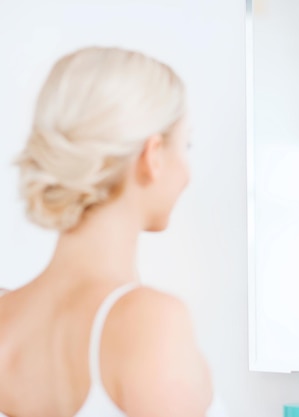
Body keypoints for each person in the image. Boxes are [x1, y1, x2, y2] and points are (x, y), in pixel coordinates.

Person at [0, 47, 226, 417]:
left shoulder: (4, 316)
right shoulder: (150, 322)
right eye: (185, 144)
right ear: (152, 155)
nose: (187, 172)